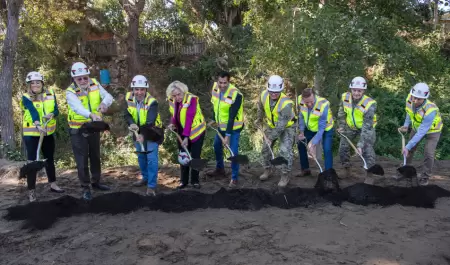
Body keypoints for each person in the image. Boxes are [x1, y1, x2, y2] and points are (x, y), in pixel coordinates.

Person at [66, 61, 113, 200]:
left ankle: (96, 182)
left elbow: (108, 96)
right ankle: (85, 187)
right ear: (74, 79)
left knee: (95, 156)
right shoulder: (70, 91)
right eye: (79, 78)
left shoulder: (94, 83)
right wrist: (91, 114)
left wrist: (104, 104)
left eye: (85, 77)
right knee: (82, 160)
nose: (83, 80)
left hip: (93, 127)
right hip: (78, 129)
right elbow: (77, 108)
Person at [21, 71, 64, 202]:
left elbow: (56, 110)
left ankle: (53, 184)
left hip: (47, 133)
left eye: (37, 82)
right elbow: (32, 111)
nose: (35, 85)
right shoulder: (26, 96)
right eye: (32, 83)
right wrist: (38, 123)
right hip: (32, 134)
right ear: (29, 85)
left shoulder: (50, 94)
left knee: (49, 159)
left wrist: (52, 114)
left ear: (42, 83)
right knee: (32, 162)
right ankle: (31, 191)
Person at [398, 83, 443, 186]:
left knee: (428, 153)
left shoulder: (430, 110)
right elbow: (409, 113)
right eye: (415, 98)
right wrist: (406, 125)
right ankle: (405, 170)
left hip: (433, 131)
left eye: (419, 99)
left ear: (425, 98)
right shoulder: (409, 99)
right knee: (410, 150)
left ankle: (425, 177)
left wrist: (408, 146)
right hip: (416, 128)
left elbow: (422, 132)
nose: (416, 101)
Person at [124, 75, 162, 196]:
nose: (139, 92)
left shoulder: (152, 102)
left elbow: (150, 121)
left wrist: (142, 134)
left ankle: (151, 186)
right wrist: (132, 124)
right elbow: (127, 115)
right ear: (133, 89)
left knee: (151, 159)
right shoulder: (128, 98)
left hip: (152, 132)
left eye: (142, 89)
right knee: (141, 157)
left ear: (146, 90)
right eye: (137, 89)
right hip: (137, 131)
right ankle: (145, 177)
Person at [257, 75, 297, 187]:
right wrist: (259, 119)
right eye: (271, 91)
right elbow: (260, 107)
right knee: (265, 149)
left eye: (277, 92)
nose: (274, 94)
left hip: (287, 127)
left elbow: (281, 126)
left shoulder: (286, 103)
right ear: (268, 89)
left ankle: (285, 175)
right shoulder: (264, 95)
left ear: (281, 89)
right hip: (271, 125)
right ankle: (268, 169)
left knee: (284, 151)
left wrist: (270, 138)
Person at [207, 71, 244, 188]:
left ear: (229, 82)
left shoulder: (235, 94)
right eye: (220, 82)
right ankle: (220, 169)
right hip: (220, 126)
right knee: (217, 146)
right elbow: (215, 106)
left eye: (225, 83)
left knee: (233, 152)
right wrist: (213, 118)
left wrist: (227, 136)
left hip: (233, 128)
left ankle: (234, 178)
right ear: (217, 81)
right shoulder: (215, 88)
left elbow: (232, 116)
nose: (222, 85)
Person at [337, 76, 377, 184]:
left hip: (366, 129)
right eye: (354, 90)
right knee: (343, 148)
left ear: (363, 90)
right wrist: (341, 125)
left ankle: (370, 174)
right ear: (351, 89)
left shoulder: (370, 104)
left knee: (367, 149)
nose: (356, 93)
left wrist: (360, 145)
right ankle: (346, 169)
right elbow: (341, 112)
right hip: (350, 127)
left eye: (359, 91)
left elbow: (367, 127)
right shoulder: (345, 97)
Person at [167, 81, 206, 189]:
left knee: (195, 156)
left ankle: (195, 181)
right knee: (183, 155)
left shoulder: (191, 99)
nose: (177, 97)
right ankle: (183, 181)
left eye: (179, 94)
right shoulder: (172, 100)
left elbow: (189, 117)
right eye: (174, 95)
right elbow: (174, 114)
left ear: (183, 91)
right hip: (181, 131)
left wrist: (186, 137)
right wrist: (172, 123)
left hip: (196, 131)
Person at [297, 88, 334, 176]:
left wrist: (313, 143)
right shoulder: (300, 100)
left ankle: (328, 174)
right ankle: (305, 169)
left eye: (312, 102)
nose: (309, 105)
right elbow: (301, 116)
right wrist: (301, 131)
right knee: (301, 143)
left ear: (315, 96)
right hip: (311, 128)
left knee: (327, 149)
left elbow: (321, 128)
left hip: (325, 129)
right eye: (307, 103)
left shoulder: (323, 104)